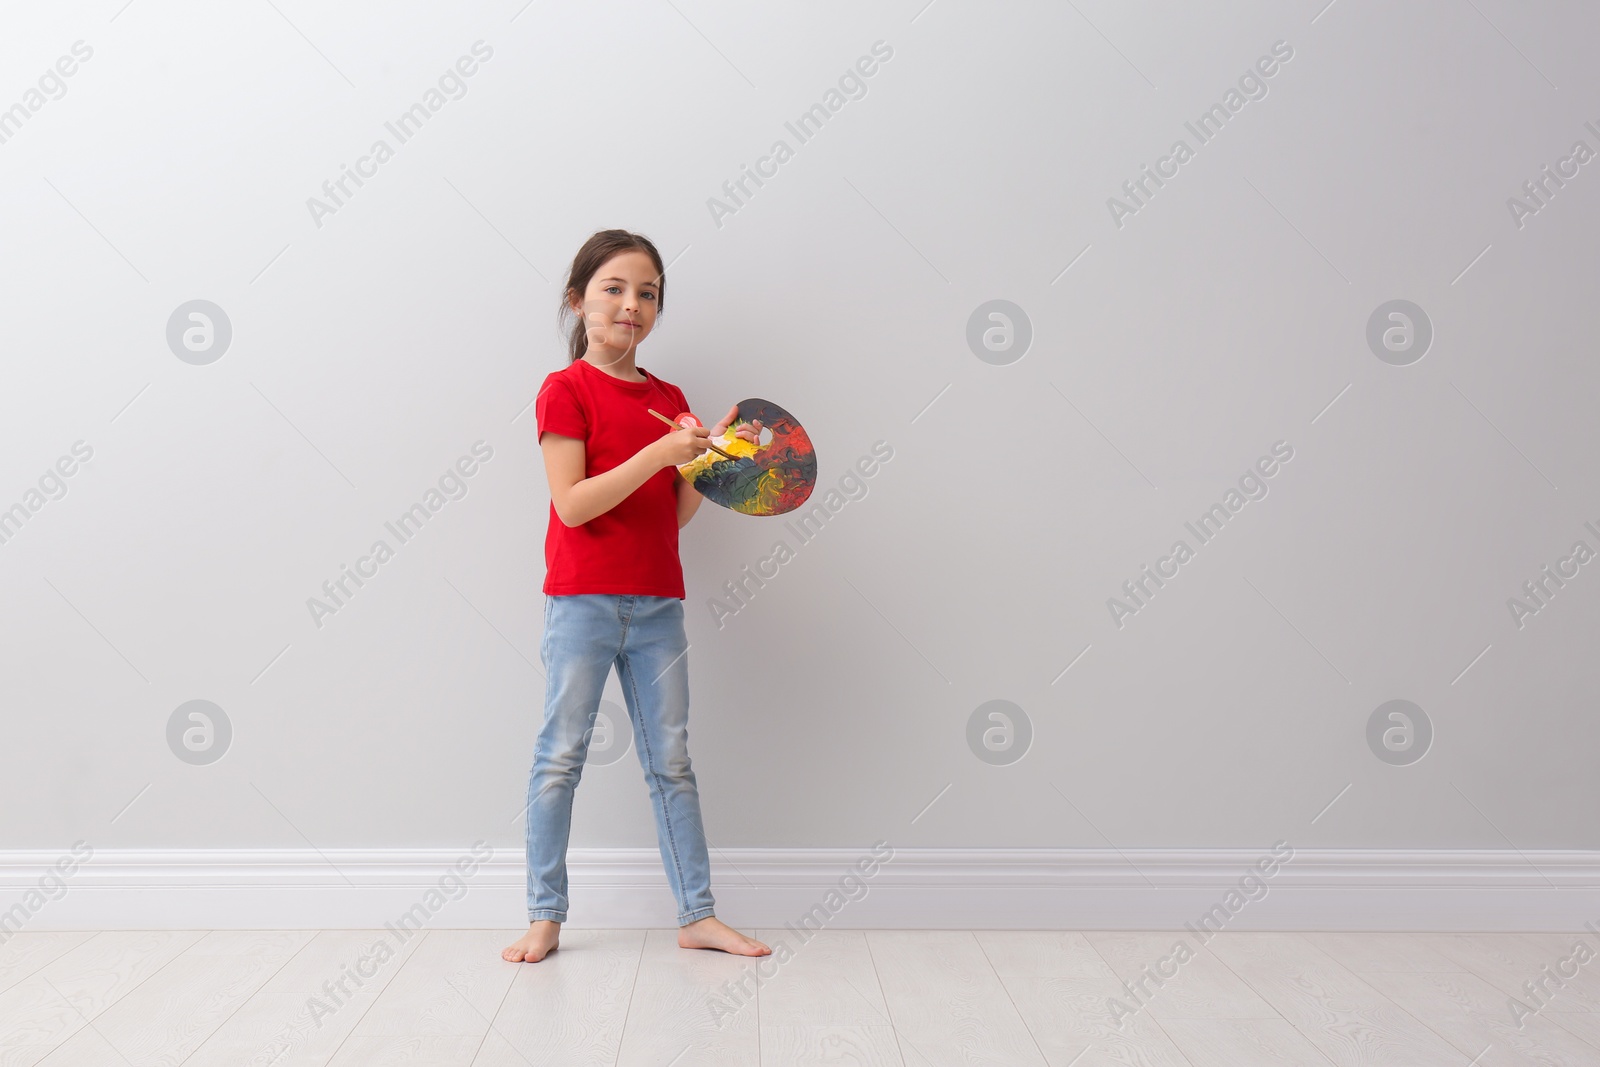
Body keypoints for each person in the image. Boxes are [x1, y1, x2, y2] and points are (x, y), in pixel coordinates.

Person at [503, 229, 771, 964]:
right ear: (577, 300)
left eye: (647, 292)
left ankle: (698, 915)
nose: (631, 304)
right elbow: (573, 505)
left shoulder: (670, 399)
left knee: (671, 762)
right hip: (583, 602)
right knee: (561, 756)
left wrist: (709, 471)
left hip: (657, 603)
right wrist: (659, 453)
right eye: (614, 288)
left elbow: (672, 516)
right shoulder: (565, 390)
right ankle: (544, 916)